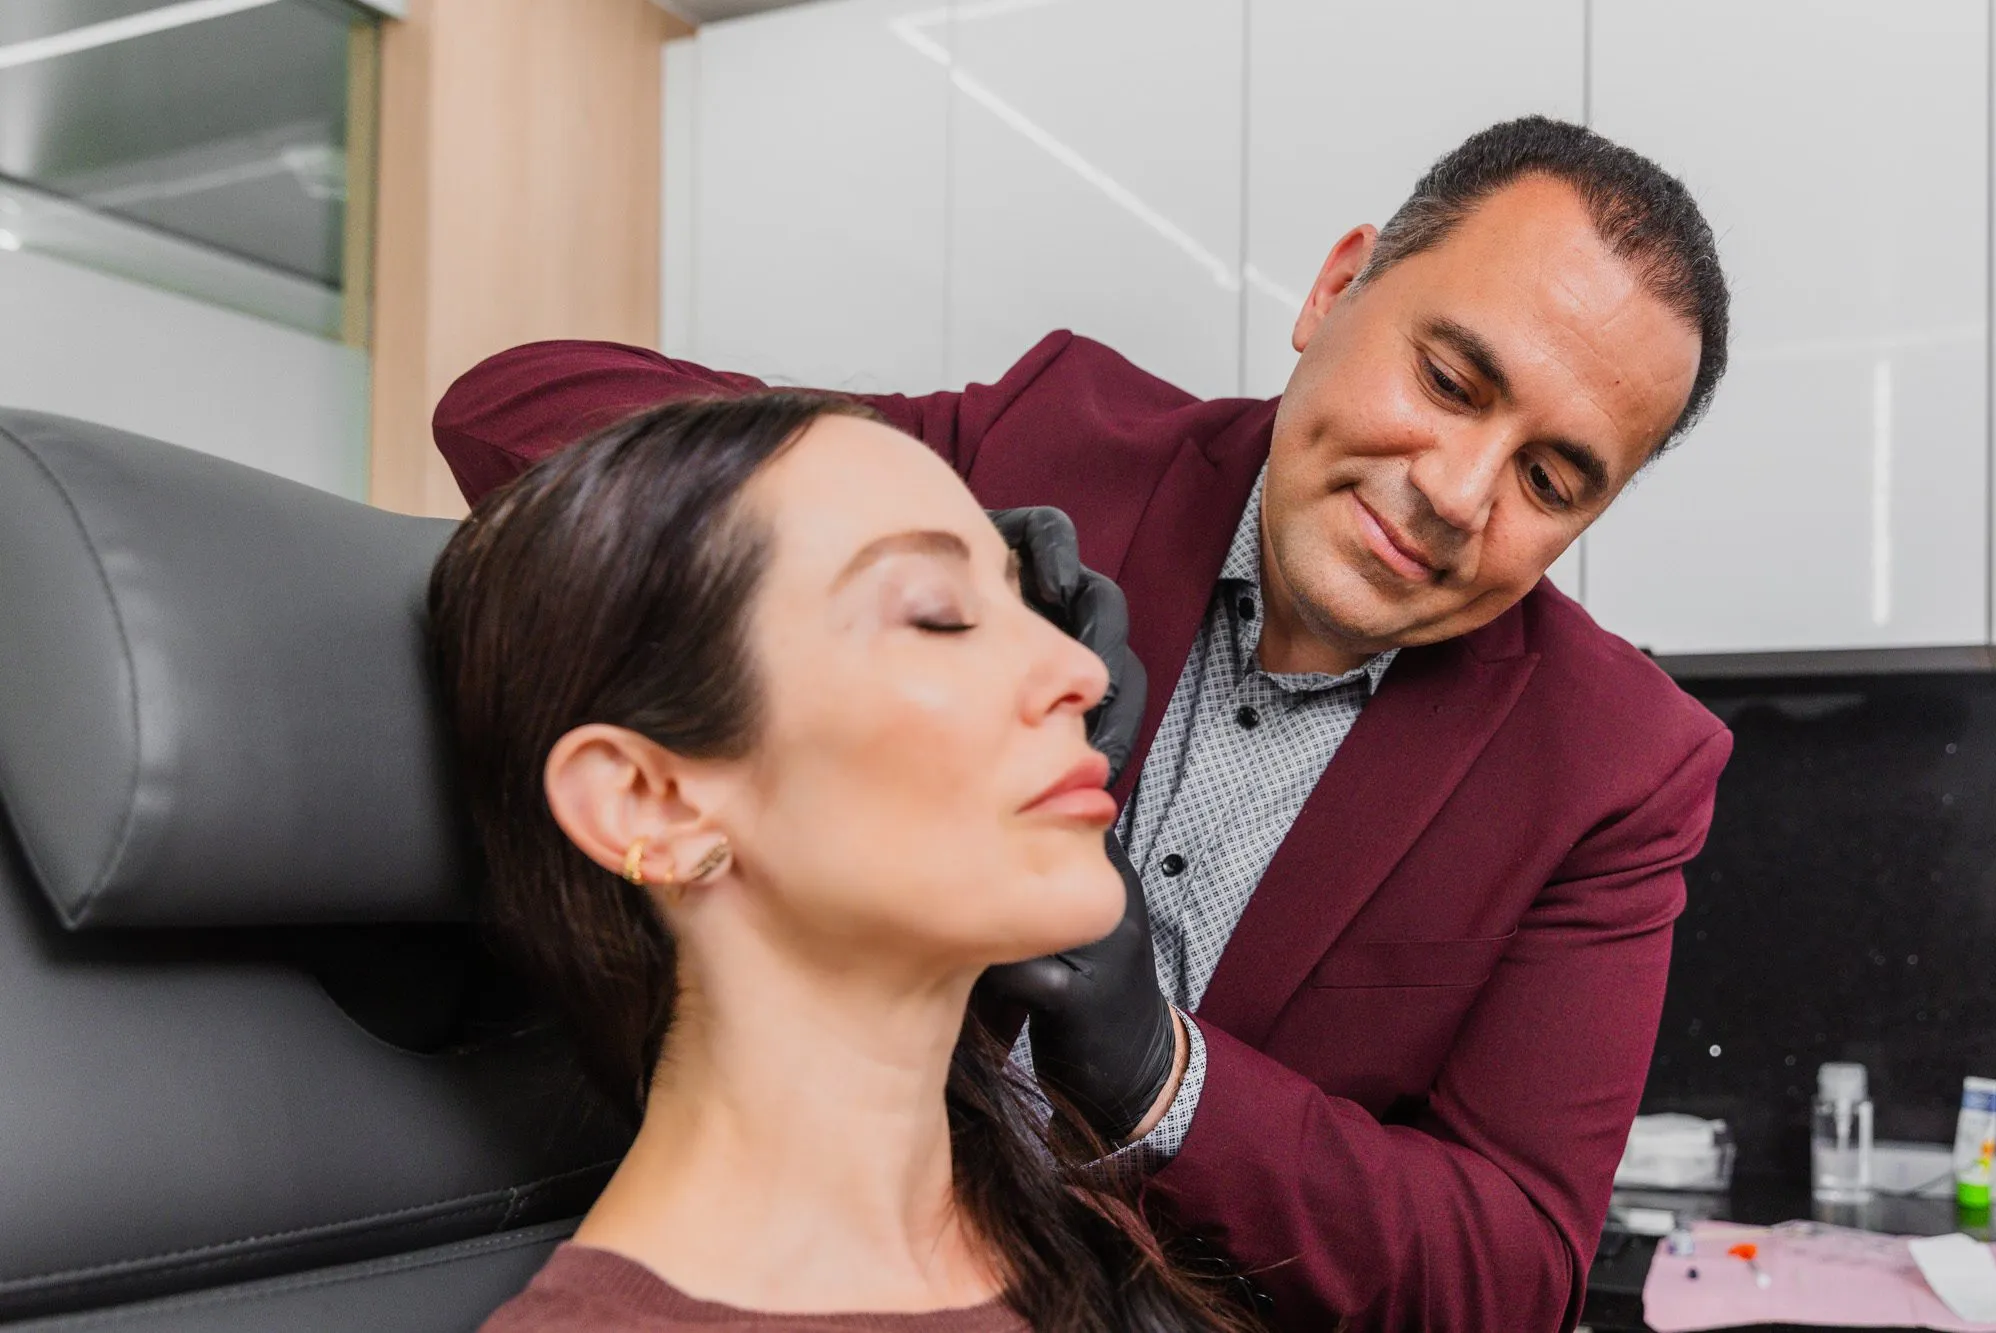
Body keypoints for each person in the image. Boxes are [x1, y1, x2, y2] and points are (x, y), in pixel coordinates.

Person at [432, 117, 1735, 1330]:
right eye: (1450, 381)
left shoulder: (1618, 761)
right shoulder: (1060, 442)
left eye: (1549, 478)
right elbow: (510, 410)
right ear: (1336, 289)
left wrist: (1162, 1074)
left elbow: (1513, 1268)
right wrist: (946, 560)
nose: (1457, 492)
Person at [429, 392, 1253, 1332]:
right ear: (651, 803)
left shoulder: (1095, 1266)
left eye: (1023, 603)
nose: (1087, 673)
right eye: (938, 615)